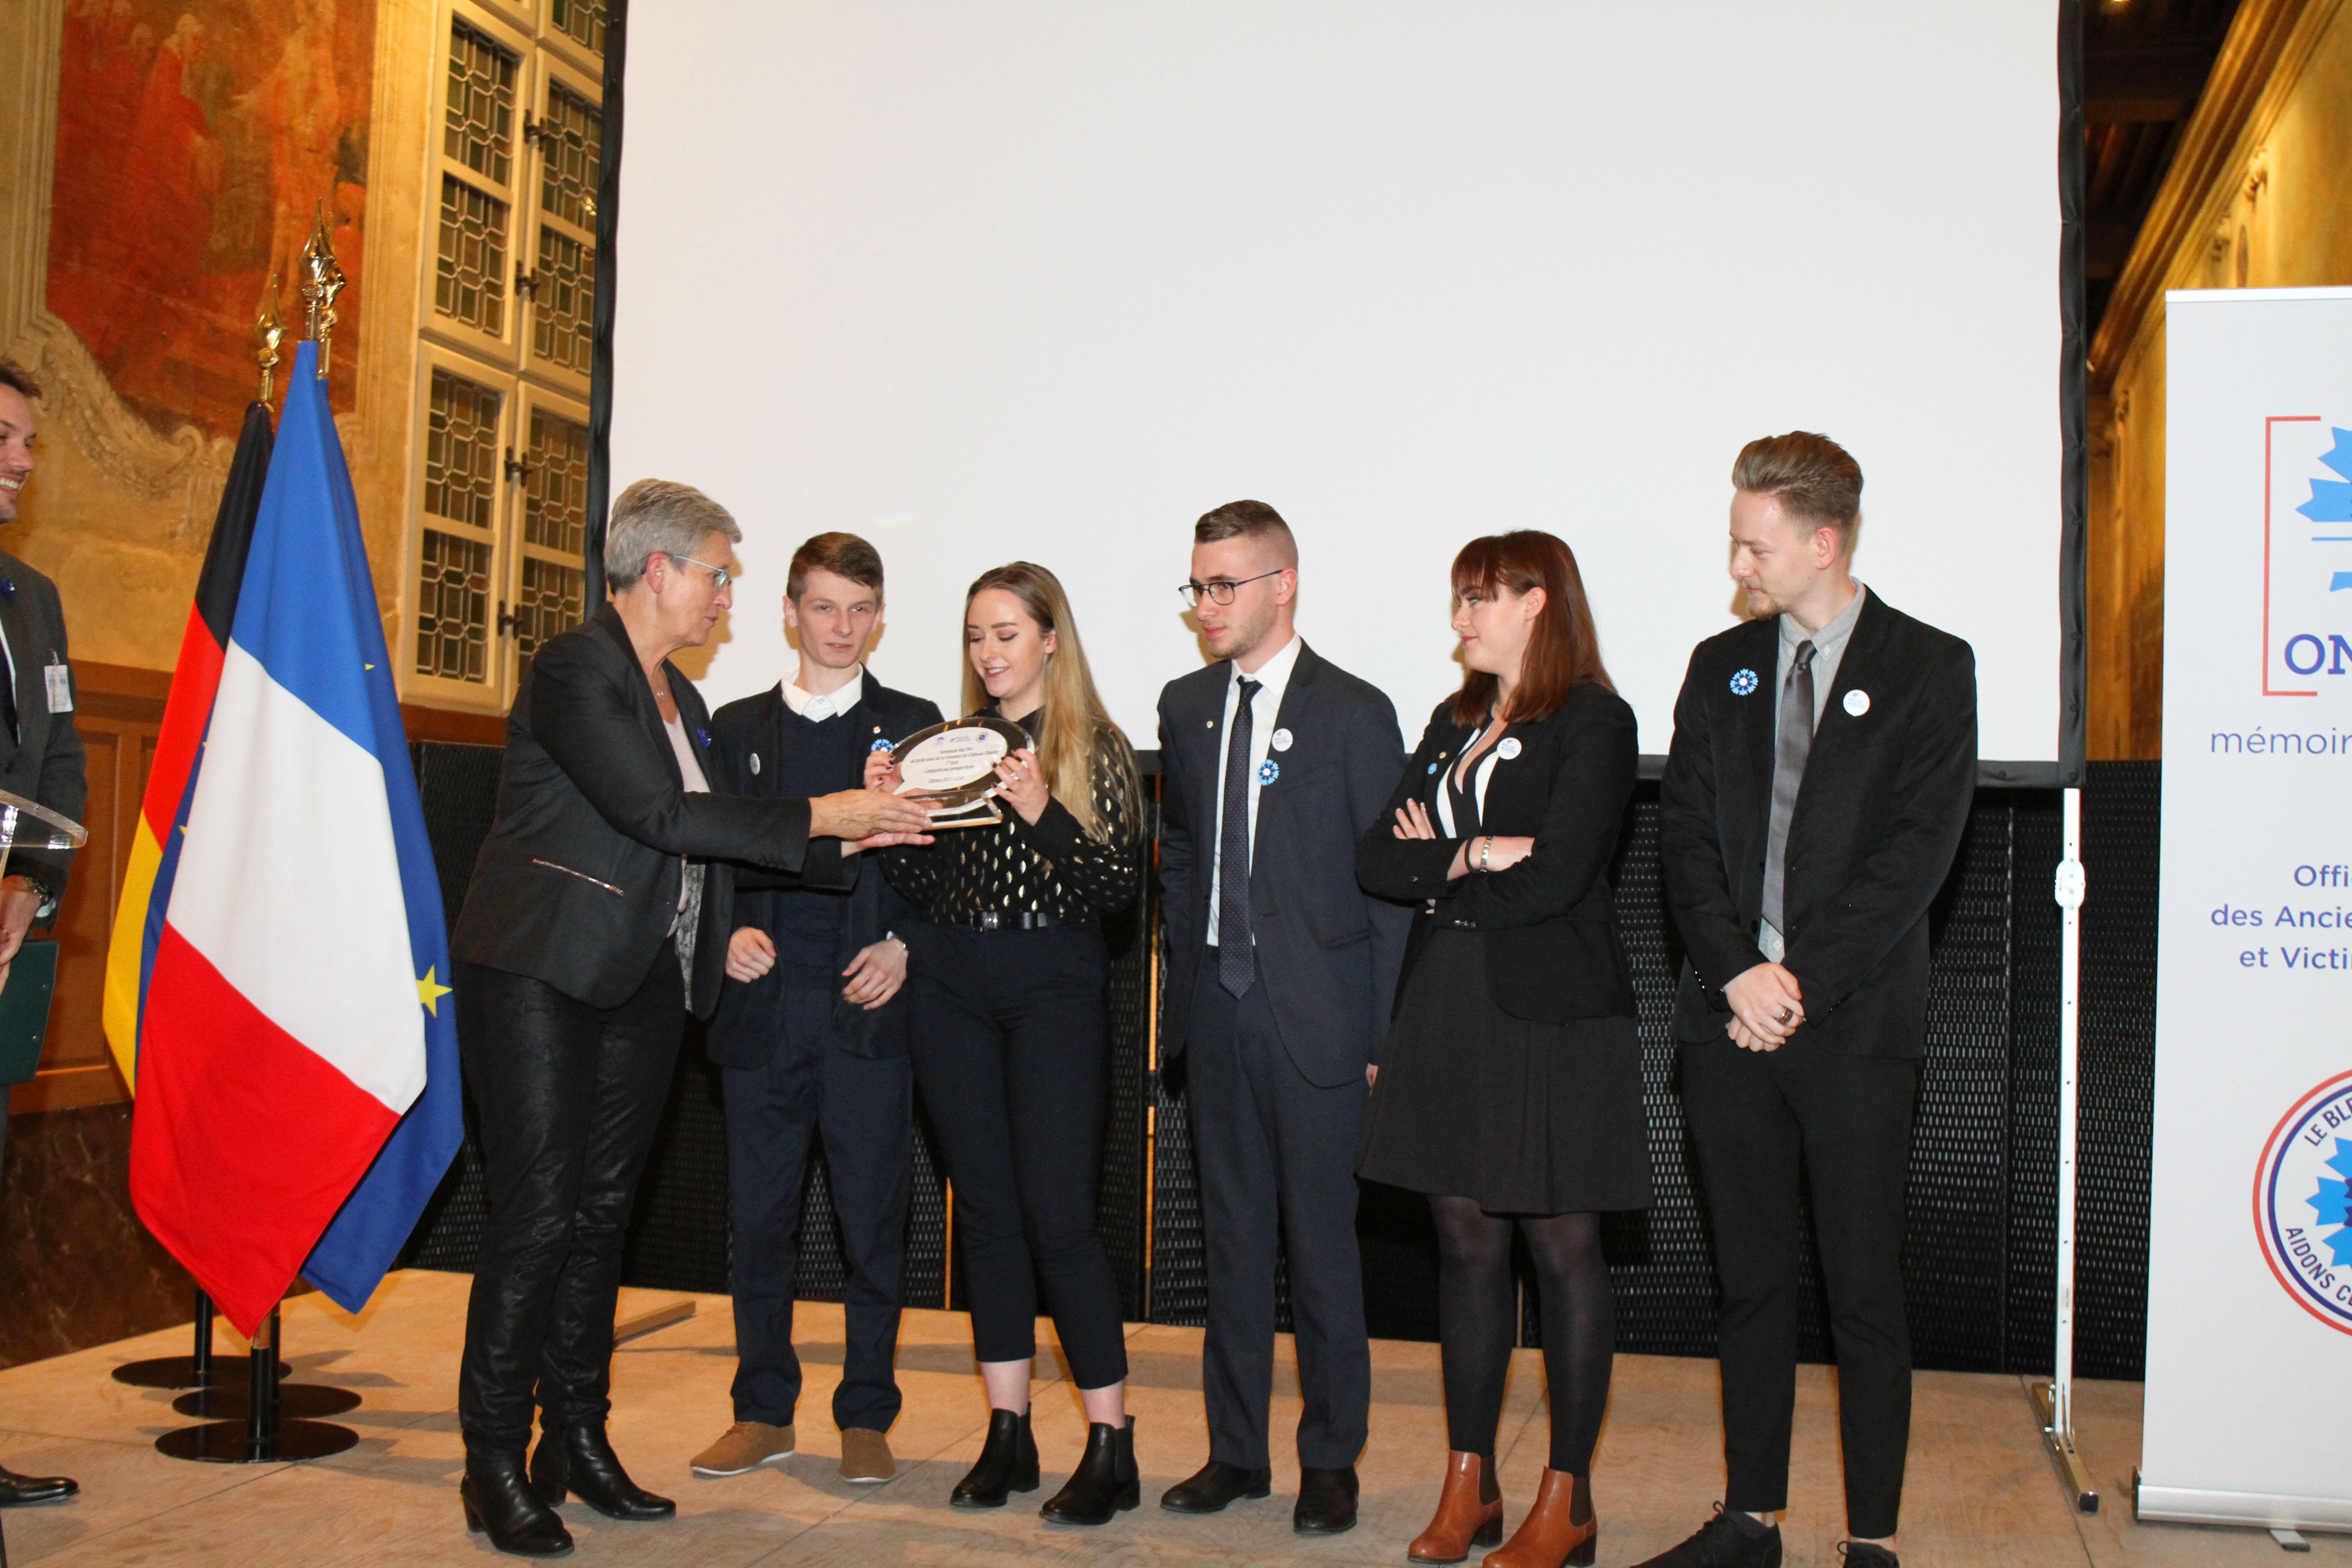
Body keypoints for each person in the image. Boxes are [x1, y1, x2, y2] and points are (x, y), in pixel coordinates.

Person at [448, 480, 934, 1559]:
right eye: (719, 572)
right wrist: (823, 812)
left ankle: (574, 1438)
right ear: (659, 569)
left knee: (603, 1213)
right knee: (538, 1214)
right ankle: (490, 1458)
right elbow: (657, 814)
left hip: (644, 984)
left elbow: (714, 849)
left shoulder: (685, 701)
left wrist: (850, 842)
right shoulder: (579, 669)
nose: (726, 594)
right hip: (540, 973)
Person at [1643, 434, 1975, 1568]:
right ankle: (1752, 1519)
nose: (1740, 564)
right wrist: (1738, 971)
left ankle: (1870, 1537)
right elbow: (1684, 837)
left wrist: (1799, 982)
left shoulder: (1932, 666)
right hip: (1728, 1022)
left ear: (1824, 542)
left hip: (1852, 1032)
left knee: (1864, 1291)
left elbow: (1914, 857)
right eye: (1737, 540)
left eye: (1757, 544)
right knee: (1750, 1284)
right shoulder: (1719, 666)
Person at [1357, 530, 1646, 1568]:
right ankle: (1469, 1484)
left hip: (1552, 1010)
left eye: (1479, 599)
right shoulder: (1452, 720)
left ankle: (1566, 1501)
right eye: (1459, 599)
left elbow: (1561, 879)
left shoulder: (1597, 722)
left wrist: (1435, 860)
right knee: (1465, 1242)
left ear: (1537, 603)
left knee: (1562, 1249)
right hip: (1446, 997)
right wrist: (1473, 851)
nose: (1460, 620)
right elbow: (1372, 862)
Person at [1153, 500, 1408, 1535]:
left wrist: (1385, 1039)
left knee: (1322, 1248)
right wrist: (1184, 981)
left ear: (1282, 585)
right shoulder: (1183, 704)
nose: (1206, 606)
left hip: (1320, 1024)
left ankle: (1332, 1460)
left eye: (1225, 586)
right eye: (1197, 586)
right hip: (1218, 1011)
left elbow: (1391, 889)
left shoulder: (1355, 710)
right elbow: (1178, 853)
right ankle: (1235, 1454)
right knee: (1231, 1242)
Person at [880, 562, 1146, 1526]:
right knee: (985, 1217)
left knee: (1059, 1220)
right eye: (975, 636)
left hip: (1053, 992)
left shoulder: (1095, 747)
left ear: (1050, 641)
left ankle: (1111, 1445)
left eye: (1006, 634)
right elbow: (927, 893)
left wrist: (1041, 810)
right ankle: (1008, 1433)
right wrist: (893, 819)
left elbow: (1118, 889)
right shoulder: (948, 749)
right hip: (949, 986)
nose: (989, 654)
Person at [691, 533, 942, 1488]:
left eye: (861, 609)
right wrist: (721, 937)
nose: (843, 627)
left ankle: (866, 1415)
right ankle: (761, 1413)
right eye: (825, 607)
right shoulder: (733, 725)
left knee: (873, 1223)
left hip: (867, 1013)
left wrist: (905, 945)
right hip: (761, 1010)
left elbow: (945, 869)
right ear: (789, 612)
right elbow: (701, 855)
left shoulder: (917, 728)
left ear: (881, 618)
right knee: (759, 1223)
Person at [0, 361, 88, 1512]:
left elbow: (59, 767)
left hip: (9, 941)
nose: (22, 460)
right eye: (5, 438)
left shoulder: (35, 598)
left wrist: (28, 888)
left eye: (25, 441)